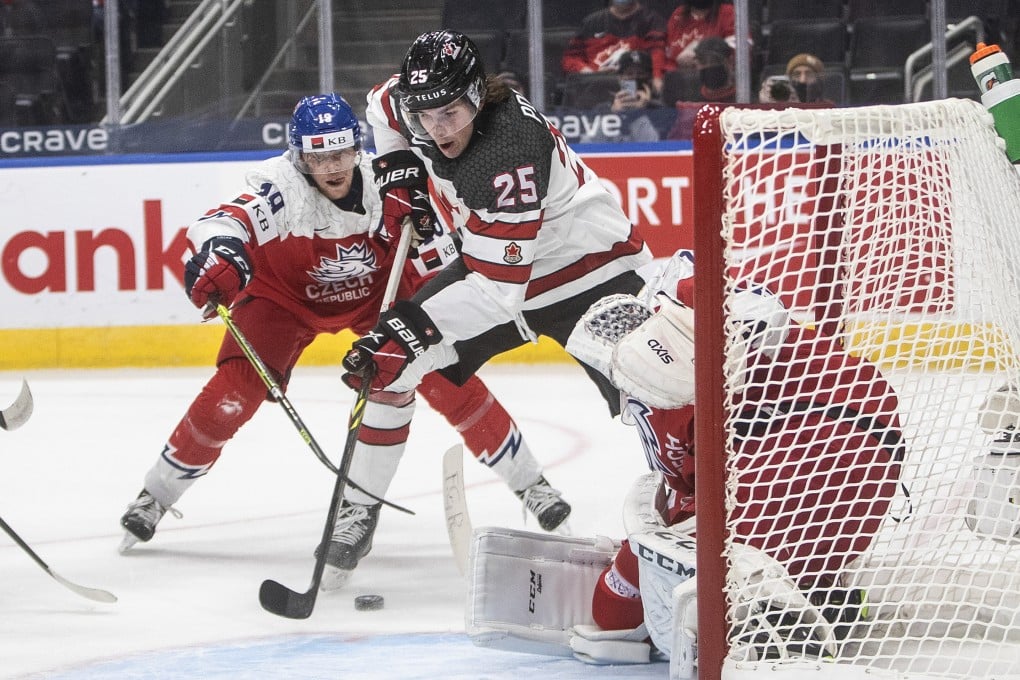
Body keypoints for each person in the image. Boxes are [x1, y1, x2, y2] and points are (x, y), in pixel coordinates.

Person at [118, 93, 573, 588]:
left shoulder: (389, 183)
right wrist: (221, 250)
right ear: (299, 156)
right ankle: (155, 495)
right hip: (283, 299)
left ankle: (532, 484)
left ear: (358, 149)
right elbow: (225, 221)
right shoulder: (284, 187)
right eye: (318, 156)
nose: (331, 167)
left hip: (376, 292)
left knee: (444, 373)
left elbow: (446, 252)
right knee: (235, 391)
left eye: (340, 153)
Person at [575, 250, 904, 662]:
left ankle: (780, 630)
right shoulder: (683, 328)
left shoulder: (665, 367)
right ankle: (816, 594)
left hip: (808, 450)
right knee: (726, 560)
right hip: (871, 455)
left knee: (649, 602)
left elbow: (617, 614)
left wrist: (622, 580)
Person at [349, 31, 652, 446]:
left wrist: (410, 330)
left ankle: (687, 490)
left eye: (450, 113)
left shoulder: (509, 152)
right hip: (493, 260)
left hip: (589, 268)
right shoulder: (413, 103)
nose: (438, 129)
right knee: (389, 370)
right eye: (427, 117)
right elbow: (379, 109)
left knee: (653, 390)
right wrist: (399, 176)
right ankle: (360, 506)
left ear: (476, 95)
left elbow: (496, 292)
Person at [561, 0, 668, 95]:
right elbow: (569, 59)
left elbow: (658, 53)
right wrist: (591, 73)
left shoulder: (652, 21)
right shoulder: (591, 22)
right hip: (595, 89)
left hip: (635, 88)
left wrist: (657, 77)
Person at [664, 0, 736, 73]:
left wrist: (699, 49)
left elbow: (737, 47)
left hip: (714, 78)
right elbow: (668, 58)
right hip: (679, 78)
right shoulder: (678, 14)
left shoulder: (728, 12)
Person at [758, 52, 832, 105]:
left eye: (809, 74)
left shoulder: (827, 107)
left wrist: (797, 106)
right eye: (797, 74)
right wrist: (766, 105)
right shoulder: (777, 106)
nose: (802, 80)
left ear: (819, 79)